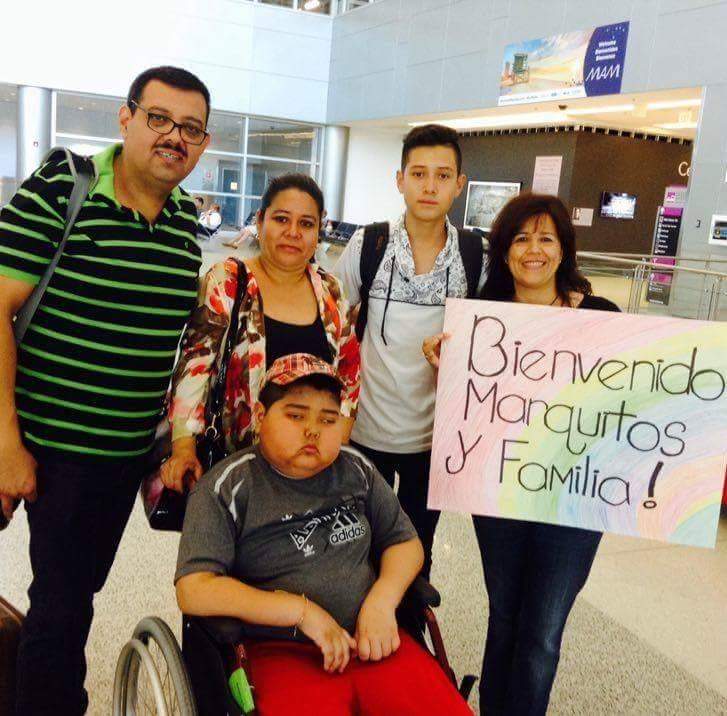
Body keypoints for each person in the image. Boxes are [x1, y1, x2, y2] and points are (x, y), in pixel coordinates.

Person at [0, 66, 211, 715]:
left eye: (191, 128)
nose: (173, 136)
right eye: (159, 118)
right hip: (46, 448)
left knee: (75, 595)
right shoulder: (65, 187)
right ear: (126, 118)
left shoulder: (183, 228)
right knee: (60, 609)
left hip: (119, 461)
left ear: (203, 144)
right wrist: (7, 444)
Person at [175, 353, 472, 715]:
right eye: (296, 415)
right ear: (260, 417)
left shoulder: (356, 469)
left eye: (328, 419)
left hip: (372, 637)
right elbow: (195, 589)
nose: (313, 430)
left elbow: (404, 542)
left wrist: (382, 601)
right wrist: (301, 612)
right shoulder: (227, 487)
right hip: (279, 651)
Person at [423, 192, 619, 716]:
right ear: (503, 251)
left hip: (574, 501)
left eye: (546, 238)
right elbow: (469, 409)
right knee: (505, 614)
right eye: (520, 238)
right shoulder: (480, 321)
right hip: (501, 490)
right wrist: (448, 369)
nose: (533, 249)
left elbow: (624, 406)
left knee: (544, 630)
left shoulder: (602, 316)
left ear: (564, 250)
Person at [333, 124, 485, 578]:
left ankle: (409, 631)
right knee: (357, 548)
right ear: (399, 179)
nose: (429, 186)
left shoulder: (476, 255)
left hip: (434, 443)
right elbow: (330, 319)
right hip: (364, 435)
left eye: (442, 176)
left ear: (459, 185)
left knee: (418, 552)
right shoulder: (369, 245)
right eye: (418, 174)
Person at [163, 173, 360, 492]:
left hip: (309, 474)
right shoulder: (229, 280)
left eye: (307, 224)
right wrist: (183, 447)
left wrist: (335, 447)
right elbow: (194, 367)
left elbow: (349, 379)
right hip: (235, 468)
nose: (293, 233)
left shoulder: (330, 292)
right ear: (260, 220)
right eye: (282, 219)